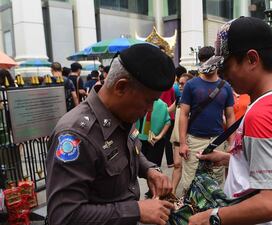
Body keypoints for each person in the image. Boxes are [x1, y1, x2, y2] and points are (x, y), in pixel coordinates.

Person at [46, 43, 176, 225]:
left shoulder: (124, 114)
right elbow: (63, 216)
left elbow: (129, 152)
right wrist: (136, 210)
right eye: (148, 101)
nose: (150, 110)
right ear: (121, 87)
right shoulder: (76, 135)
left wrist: (149, 170)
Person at [188, 17, 272, 225]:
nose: (223, 76)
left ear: (252, 59)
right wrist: (231, 159)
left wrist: (210, 217)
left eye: (226, 67)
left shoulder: (263, 113)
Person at [179, 55, 235, 193]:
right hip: (194, 140)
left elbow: (230, 116)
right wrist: (182, 143)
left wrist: (232, 143)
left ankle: (212, 213)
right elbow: (184, 114)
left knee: (216, 182)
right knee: (191, 181)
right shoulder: (191, 85)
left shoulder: (226, 87)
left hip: (217, 140)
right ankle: (190, 211)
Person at [169, 73, 193, 194]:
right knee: (177, 165)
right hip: (177, 138)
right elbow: (168, 111)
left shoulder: (194, 100)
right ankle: (171, 193)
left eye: (183, 83)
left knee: (188, 168)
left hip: (188, 139)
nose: (180, 86)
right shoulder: (179, 99)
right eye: (179, 83)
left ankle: (187, 194)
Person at [160, 86, 176, 168]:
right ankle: (170, 162)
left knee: (159, 138)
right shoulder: (171, 88)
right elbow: (174, 101)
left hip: (159, 114)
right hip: (170, 116)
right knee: (168, 139)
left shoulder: (157, 87)